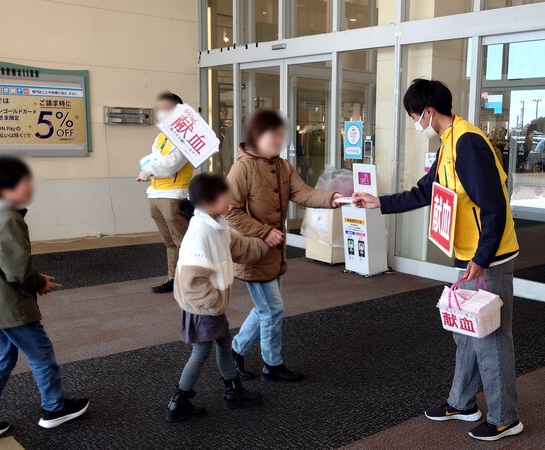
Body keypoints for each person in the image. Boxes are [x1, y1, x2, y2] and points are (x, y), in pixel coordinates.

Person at [353, 79, 521, 442]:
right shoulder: (448, 144)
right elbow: (424, 191)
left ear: (428, 111)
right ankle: (462, 403)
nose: (416, 124)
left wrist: (482, 257)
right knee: (466, 331)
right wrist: (378, 202)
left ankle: (506, 416)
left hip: (487, 257)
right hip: (470, 254)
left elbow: (494, 206)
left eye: (415, 116)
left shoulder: (468, 143)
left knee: (491, 336)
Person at [0, 156, 89, 442]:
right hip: (8, 306)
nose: (29, 187)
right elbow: (16, 271)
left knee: (2, 356)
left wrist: (34, 277)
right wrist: (39, 282)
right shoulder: (8, 217)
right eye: (24, 181)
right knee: (41, 355)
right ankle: (55, 409)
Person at [226, 109, 343, 382]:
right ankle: (272, 364)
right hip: (254, 253)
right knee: (273, 309)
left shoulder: (281, 165)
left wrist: (332, 198)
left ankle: (236, 350)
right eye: (274, 135)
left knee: (265, 309)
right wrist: (264, 232)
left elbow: (302, 192)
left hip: (274, 254)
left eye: (281, 135)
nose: (280, 141)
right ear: (256, 136)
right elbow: (230, 211)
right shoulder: (242, 168)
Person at [166, 173, 268, 422]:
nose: (230, 198)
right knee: (201, 353)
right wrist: (211, 302)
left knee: (223, 343)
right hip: (203, 307)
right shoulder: (201, 232)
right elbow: (191, 281)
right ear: (210, 200)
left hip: (210, 306)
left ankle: (233, 390)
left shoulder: (216, 224)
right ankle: (178, 402)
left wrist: (267, 242)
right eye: (226, 194)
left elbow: (239, 248)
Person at [137, 91, 194, 293]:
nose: (161, 112)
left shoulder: (185, 136)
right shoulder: (162, 136)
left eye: (166, 108)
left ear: (178, 110)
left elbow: (171, 164)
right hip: (156, 193)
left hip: (175, 195)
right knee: (169, 242)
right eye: (159, 108)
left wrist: (148, 169)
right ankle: (173, 279)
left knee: (182, 242)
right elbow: (154, 157)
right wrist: (147, 166)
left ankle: (190, 280)